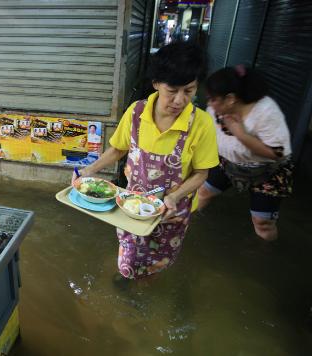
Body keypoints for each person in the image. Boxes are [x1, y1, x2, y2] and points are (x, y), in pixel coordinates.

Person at [72, 42, 219, 279]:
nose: (180, 100)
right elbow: (117, 150)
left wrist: (173, 197)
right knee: (128, 262)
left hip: (173, 212)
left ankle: (145, 285)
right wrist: (88, 171)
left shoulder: (201, 124)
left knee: (157, 265)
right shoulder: (136, 113)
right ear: (156, 83)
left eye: (189, 90)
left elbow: (202, 173)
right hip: (132, 207)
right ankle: (128, 284)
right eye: (172, 90)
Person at [198, 66, 293, 241]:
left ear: (230, 99)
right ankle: (186, 229)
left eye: (212, 99)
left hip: (267, 171)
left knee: (262, 223)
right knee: (201, 193)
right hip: (227, 162)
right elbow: (205, 135)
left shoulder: (266, 111)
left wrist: (241, 134)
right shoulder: (214, 110)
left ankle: (266, 253)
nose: (209, 103)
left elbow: (277, 154)